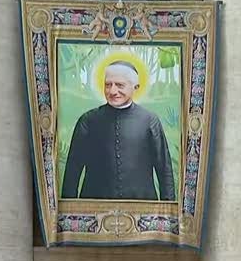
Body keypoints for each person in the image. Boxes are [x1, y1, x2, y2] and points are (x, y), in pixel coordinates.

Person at [62, 61, 176, 201]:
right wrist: (69, 213)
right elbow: (73, 170)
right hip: (95, 209)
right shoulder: (88, 121)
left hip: (142, 209)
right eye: (108, 85)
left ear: (136, 87)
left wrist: (168, 214)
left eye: (120, 85)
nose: (112, 91)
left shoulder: (150, 121)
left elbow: (164, 170)